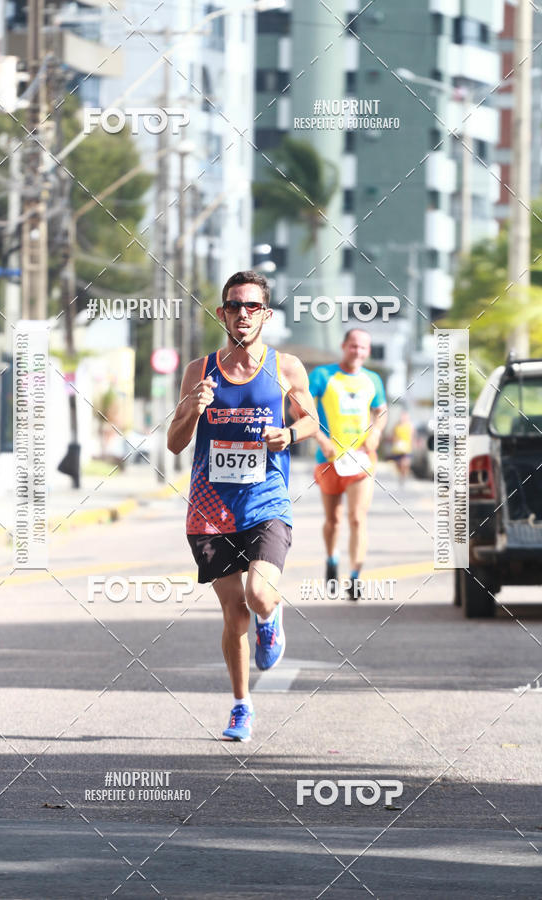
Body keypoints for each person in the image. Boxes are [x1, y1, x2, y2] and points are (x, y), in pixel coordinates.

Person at [167, 271, 318, 742]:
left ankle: (271, 618)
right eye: (235, 305)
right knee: (233, 614)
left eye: (253, 306)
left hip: (265, 499)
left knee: (258, 596)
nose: (243, 314)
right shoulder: (199, 370)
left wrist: (289, 434)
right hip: (211, 507)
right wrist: (193, 407)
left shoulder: (286, 367)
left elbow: (313, 421)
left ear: (266, 315)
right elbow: (174, 444)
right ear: (223, 313)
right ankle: (241, 706)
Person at [309, 328, 387, 601]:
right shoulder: (322, 375)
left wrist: (376, 432)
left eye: (363, 348)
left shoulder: (373, 379)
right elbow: (301, 408)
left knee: (357, 518)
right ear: (343, 346)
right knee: (334, 520)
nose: (358, 352)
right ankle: (332, 558)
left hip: (361, 459)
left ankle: (354, 576)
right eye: (353, 346)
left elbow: (381, 410)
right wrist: (320, 438)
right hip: (329, 460)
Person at [389, 410, 413, 487]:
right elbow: (392, 436)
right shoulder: (396, 426)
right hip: (397, 448)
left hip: (406, 448)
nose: (403, 418)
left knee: (405, 463)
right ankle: (401, 475)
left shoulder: (410, 426)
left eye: (405, 417)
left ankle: (404, 476)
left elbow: (412, 436)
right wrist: (395, 440)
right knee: (398, 464)